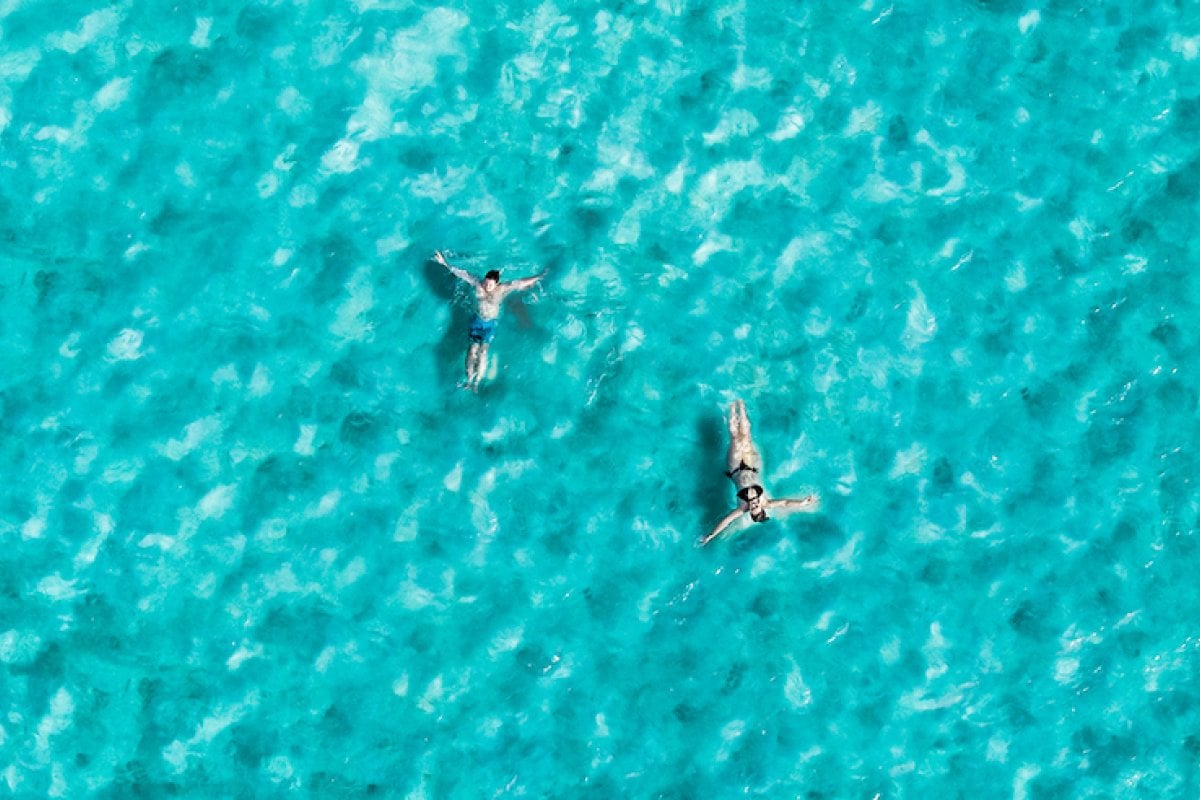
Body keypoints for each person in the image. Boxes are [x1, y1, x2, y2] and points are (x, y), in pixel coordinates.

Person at [699, 399, 819, 546]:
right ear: (761, 507)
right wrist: (801, 503)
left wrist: (711, 535)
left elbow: (727, 521)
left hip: (735, 468)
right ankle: (740, 404)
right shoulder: (765, 502)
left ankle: (730, 406)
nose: (754, 505)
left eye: (752, 509)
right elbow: (785, 502)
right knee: (746, 435)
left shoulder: (742, 507)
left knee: (735, 437)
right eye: (757, 508)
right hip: (751, 465)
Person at [434, 250, 546, 390]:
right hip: (477, 321)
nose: (486, 286)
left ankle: (477, 382)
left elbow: (521, 282)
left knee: (483, 352)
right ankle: (469, 380)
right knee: (472, 350)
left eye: (490, 285)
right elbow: (462, 274)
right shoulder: (478, 285)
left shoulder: (503, 289)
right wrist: (444, 263)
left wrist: (538, 276)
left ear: (497, 284)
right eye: (485, 283)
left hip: (489, 324)